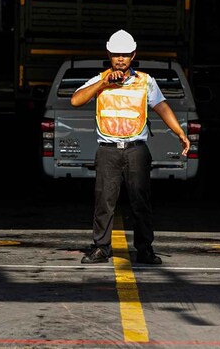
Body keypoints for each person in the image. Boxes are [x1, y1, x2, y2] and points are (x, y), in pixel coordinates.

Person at [71, 29, 190, 265]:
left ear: (133, 55)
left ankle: (145, 249)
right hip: (108, 149)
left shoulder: (146, 82)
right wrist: (103, 83)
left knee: (140, 202)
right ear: (108, 54)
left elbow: (163, 108)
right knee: (104, 202)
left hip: (136, 149)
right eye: (116, 54)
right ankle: (101, 248)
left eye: (125, 54)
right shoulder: (100, 79)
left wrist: (180, 133)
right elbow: (76, 100)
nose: (120, 59)